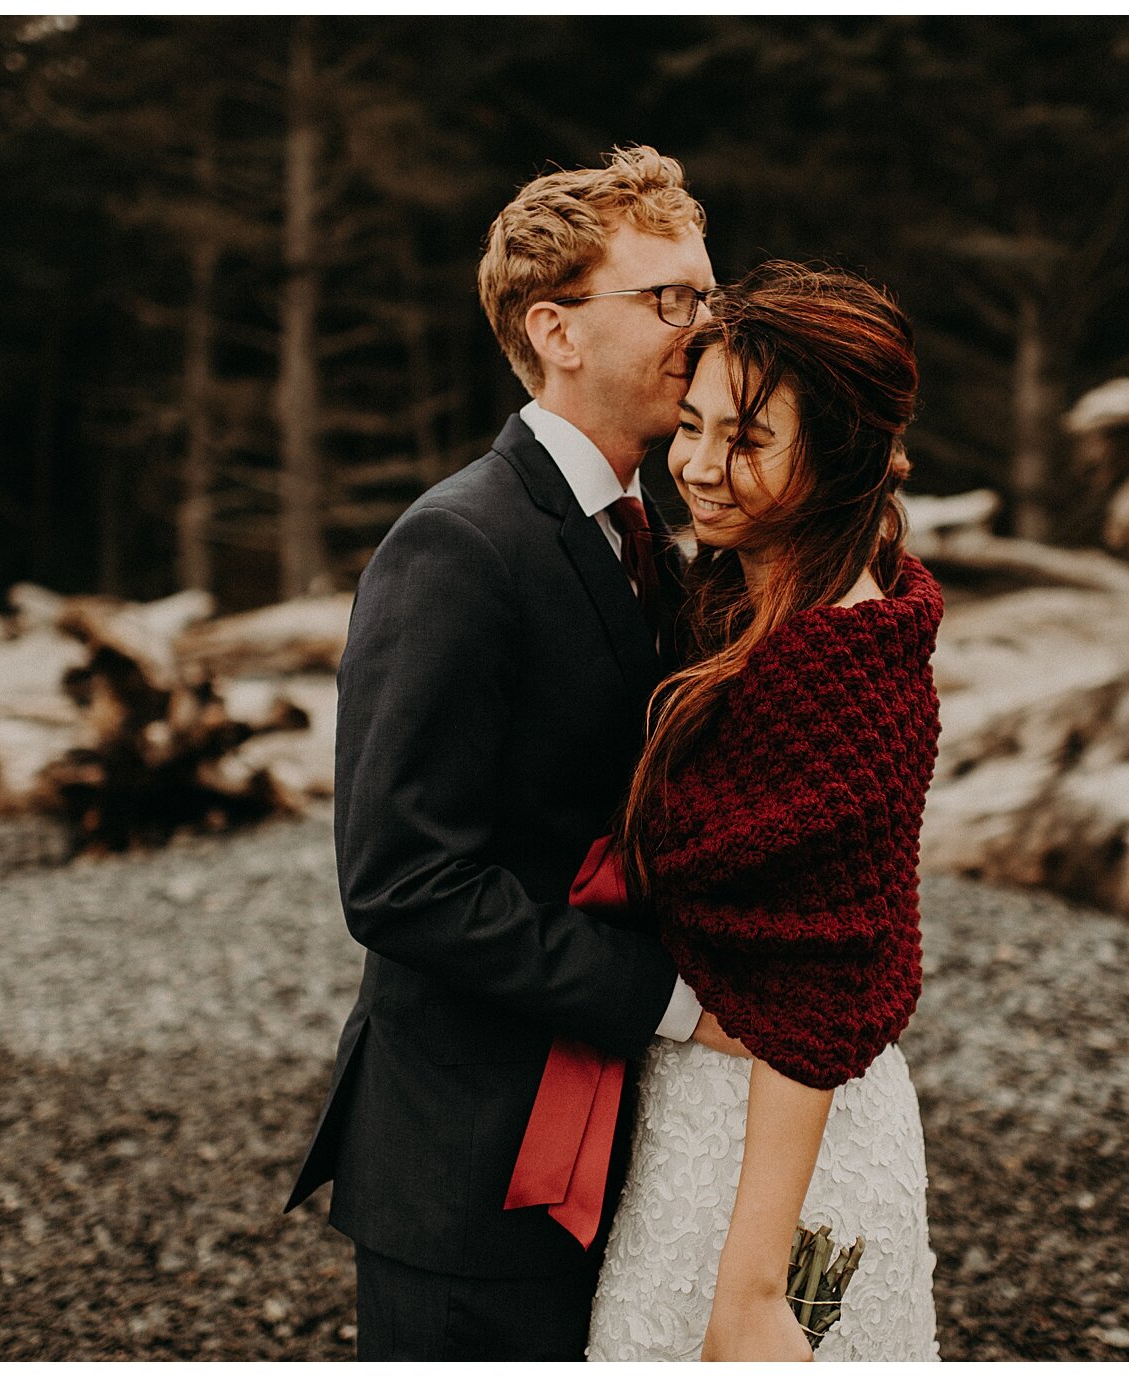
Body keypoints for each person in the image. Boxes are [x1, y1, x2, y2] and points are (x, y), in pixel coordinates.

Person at [279, 145, 746, 1361]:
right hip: (471, 1164)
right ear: (555, 331)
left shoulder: (663, 544)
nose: (702, 330)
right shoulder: (457, 545)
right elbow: (399, 881)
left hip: (624, 1153)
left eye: (707, 297)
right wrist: (671, 1002)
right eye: (666, 301)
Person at [582, 262, 945, 1361]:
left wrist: (749, 1289)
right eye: (688, 427)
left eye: (743, 440)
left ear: (836, 456)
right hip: (695, 1108)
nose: (695, 466)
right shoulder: (746, 591)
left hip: (774, 1153)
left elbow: (812, 996)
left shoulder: (833, 665)